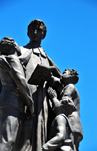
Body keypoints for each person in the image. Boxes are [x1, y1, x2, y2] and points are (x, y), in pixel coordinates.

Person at [19, 19, 61, 151]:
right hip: (23, 93)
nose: (35, 33)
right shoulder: (20, 51)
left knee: (39, 125)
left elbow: (60, 83)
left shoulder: (46, 58)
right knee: (23, 126)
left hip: (41, 97)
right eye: (32, 30)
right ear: (28, 33)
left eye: (39, 31)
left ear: (43, 34)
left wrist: (50, 78)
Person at [0, 37, 34, 151]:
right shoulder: (13, 59)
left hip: (4, 98)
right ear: (14, 46)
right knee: (8, 140)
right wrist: (30, 103)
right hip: (12, 101)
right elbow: (21, 82)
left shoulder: (3, 59)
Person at [41, 69, 83, 151]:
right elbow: (58, 83)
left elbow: (63, 104)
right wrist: (51, 78)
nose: (61, 74)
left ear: (70, 76)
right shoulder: (68, 87)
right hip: (75, 124)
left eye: (64, 73)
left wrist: (53, 98)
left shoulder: (70, 87)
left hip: (71, 122)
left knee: (67, 144)